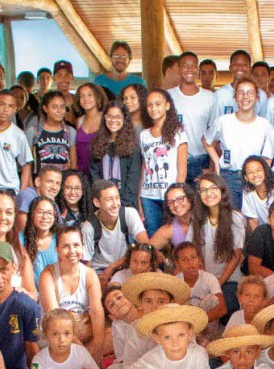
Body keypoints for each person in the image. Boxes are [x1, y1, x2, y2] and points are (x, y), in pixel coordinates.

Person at [205, 79, 273, 208]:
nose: (245, 97)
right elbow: (206, 140)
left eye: (250, 93)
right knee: (230, 220)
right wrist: (216, 162)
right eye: (241, 93)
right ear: (235, 97)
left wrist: (262, 177)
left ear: (257, 97)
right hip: (229, 178)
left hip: (254, 179)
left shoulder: (265, 125)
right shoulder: (223, 121)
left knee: (252, 221)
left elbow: (268, 156)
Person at [192, 173, 245, 316]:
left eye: (213, 188)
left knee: (227, 307)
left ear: (222, 190)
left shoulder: (235, 218)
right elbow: (195, 252)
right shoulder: (197, 218)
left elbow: (236, 257)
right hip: (204, 277)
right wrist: (205, 280)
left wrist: (217, 283)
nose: (208, 193)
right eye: (203, 190)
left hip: (228, 279)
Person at [139, 89, 188, 235]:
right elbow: (144, 167)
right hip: (149, 195)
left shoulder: (178, 133)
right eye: (149, 105)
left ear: (167, 105)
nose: (153, 108)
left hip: (171, 196)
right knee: (154, 236)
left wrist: (177, 196)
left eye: (158, 104)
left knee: (175, 235)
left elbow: (182, 169)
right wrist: (139, 197)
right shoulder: (144, 135)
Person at [168, 51, 215, 184]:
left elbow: (214, 134)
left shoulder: (210, 98)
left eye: (193, 66)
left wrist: (211, 166)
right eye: (185, 66)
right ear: (179, 68)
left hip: (201, 160)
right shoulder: (168, 96)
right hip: (174, 160)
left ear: (197, 69)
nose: (189, 69)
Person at [89, 100, 142, 211]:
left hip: (126, 206)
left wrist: (119, 206)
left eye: (118, 117)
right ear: (104, 118)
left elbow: (132, 182)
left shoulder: (133, 147)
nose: (113, 120)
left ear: (124, 119)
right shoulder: (96, 144)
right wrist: (103, 204)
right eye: (110, 116)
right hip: (102, 206)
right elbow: (95, 178)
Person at [24, 91, 77, 173]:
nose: (59, 111)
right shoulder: (34, 131)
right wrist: (30, 183)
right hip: (39, 182)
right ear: (45, 108)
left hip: (62, 182)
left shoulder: (70, 132)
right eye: (54, 107)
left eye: (62, 107)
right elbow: (27, 163)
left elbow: (74, 164)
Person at [209, 50, 268, 122]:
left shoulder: (261, 94)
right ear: (230, 68)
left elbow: (263, 123)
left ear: (250, 68)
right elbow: (215, 124)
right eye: (236, 64)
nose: (240, 67)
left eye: (244, 64)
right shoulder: (220, 94)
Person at [241, 156, 274, 228]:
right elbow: (253, 221)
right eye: (250, 172)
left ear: (264, 171)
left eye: (258, 170)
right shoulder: (247, 192)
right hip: (264, 232)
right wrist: (258, 238)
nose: (255, 175)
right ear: (246, 177)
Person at [22, 195, 59, 286]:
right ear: (32, 215)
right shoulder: (21, 239)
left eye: (50, 213)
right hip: (30, 293)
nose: (45, 216)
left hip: (58, 293)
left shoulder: (60, 238)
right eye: (40, 212)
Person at [74, 83, 105, 179]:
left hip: (100, 174)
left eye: (90, 95)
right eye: (82, 96)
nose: (85, 98)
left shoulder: (106, 119)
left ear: (97, 97)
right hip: (81, 174)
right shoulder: (79, 121)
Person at [51, 61, 77, 125]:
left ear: (72, 78)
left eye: (67, 75)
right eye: (59, 75)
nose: (63, 79)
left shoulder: (78, 100)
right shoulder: (48, 100)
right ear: (53, 78)